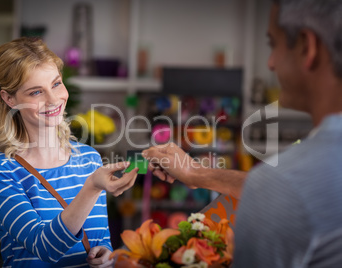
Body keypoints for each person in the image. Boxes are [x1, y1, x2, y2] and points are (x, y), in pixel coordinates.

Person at [143, 0, 342, 267]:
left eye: (273, 44)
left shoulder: (283, 187)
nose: (270, 63)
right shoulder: (310, 175)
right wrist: (196, 174)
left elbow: (281, 190)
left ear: (307, 47)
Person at [0, 37, 138, 267]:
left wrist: (106, 256)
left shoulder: (89, 159)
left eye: (55, 84)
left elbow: (100, 238)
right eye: (35, 92)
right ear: (9, 98)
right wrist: (91, 187)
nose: (53, 100)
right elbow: (44, 248)